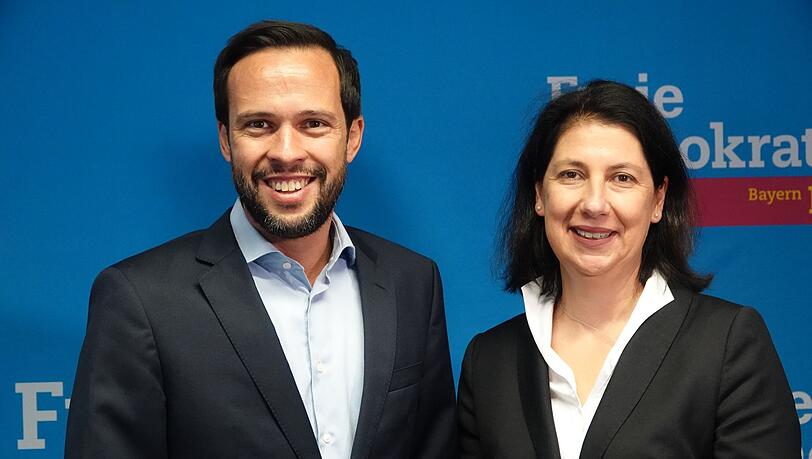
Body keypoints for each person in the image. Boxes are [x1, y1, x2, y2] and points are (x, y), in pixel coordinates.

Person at [66, 20, 457, 459]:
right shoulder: (140, 299)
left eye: (313, 123)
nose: (287, 152)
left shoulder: (413, 282)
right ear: (225, 140)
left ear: (352, 138)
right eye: (258, 125)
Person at [457, 80, 799, 458]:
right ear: (540, 194)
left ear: (658, 200)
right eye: (572, 174)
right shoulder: (488, 360)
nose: (594, 203)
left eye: (622, 178)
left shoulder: (727, 344)